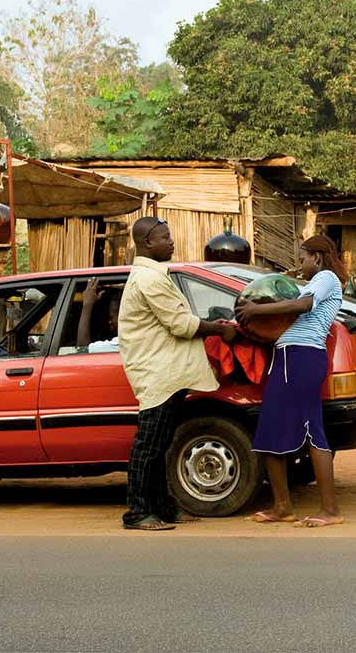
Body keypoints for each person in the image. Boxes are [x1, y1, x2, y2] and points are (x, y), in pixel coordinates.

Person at [118, 216, 237, 531]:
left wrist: (209, 325)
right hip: (158, 373)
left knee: (159, 444)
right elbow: (182, 325)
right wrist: (219, 330)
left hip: (167, 371)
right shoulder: (150, 279)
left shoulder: (154, 275)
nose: (171, 242)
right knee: (149, 445)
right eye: (165, 237)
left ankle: (163, 508)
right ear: (147, 243)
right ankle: (137, 512)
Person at [234, 233, 347, 528]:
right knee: (269, 431)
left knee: (312, 431)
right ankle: (282, 507)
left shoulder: (326, 278)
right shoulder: (314, 281)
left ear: (317, 257)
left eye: (303, 258)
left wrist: (256, 310)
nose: (300, 264)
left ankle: (330, 510)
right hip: (287, 358)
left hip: (303, 357)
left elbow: (303, 306)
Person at [76, 277, 120, 352]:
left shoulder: (120, 344)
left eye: (111, 317)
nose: (109, 322)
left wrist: (87, 305)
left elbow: (82, 350)